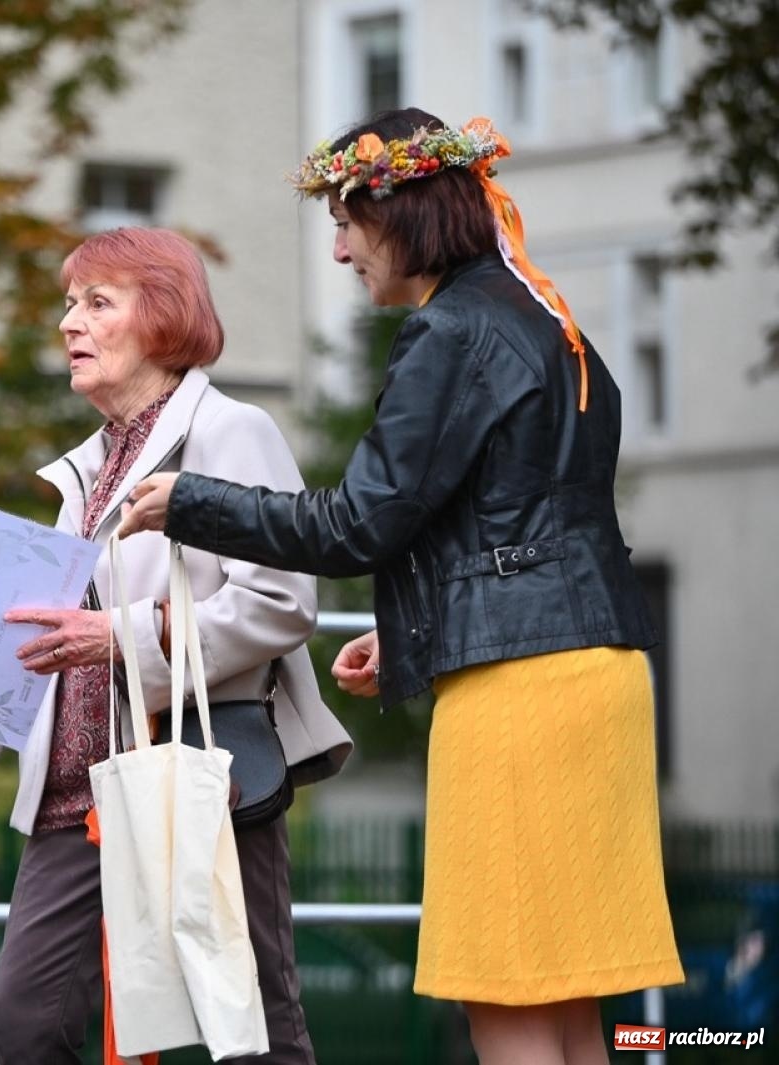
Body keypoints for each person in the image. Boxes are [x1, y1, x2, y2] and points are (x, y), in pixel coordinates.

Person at [120, 110, 684, 1065]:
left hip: (519, 693)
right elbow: (524, 518)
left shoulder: (451, 330)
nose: (341, 251)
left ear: (402, 213)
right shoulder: (546, 317)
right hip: (598, 675)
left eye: (347, 223)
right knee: (570, 1001)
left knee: (502, 991)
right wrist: (423, 628)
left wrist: (192, 502)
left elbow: (357, 524)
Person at [0, 227, 352, 1063]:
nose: (69, 323)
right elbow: (57, 640)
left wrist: (119, 635)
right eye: (70, 304)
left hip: (197, 776)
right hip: (76, 800)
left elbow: (282, 603)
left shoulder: (232, 430)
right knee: (29, 1024)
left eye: (98, 303)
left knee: (250, 1032)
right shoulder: (88, 471)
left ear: (163, 316)